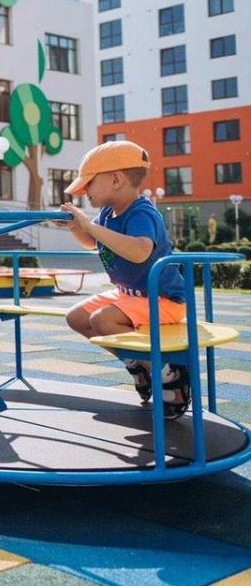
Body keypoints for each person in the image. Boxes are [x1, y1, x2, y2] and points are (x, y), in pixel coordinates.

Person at [60, 141, 191, 418]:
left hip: (163, 299)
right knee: (76, 318)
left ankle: (170, 375)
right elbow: (92, 242)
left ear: (117, 179)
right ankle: (136, 362)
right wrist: (76, 227)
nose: (84, 191)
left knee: (102, 320)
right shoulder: (108, 213)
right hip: (130, 295)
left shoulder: (141, 212)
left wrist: (89, 224)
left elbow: (140, 251)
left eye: (89, 184)